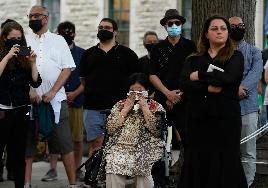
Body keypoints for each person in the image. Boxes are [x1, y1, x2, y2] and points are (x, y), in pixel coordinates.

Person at [179, 15, 247, 188]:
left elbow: (228, 79)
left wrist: (200, 75)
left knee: (226, 159)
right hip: (197, 119)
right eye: (214, 29)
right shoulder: (193, 59)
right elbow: (185, 83)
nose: (219, 32)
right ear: (206, 34)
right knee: (197, 158)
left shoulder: (235, 56)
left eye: (223, 28)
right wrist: (208, 87)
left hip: (225, 119)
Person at [26, 5, 77, 188]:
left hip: (55, 100)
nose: (32, 19)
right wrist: (30, 90)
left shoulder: (59, 41)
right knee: (29, 145)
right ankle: (26, 183)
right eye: (30, 16)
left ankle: (72, 184)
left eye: (36, 16)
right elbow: (21, 70)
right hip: (30, 102)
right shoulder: (25, 40)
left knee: (65, 143)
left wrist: (53, 91)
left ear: (46, 18)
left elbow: (67, 68)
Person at [79, 18, 138, 157]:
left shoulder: (128, 54)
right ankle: (95, 175)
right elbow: (83, 80)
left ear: (115, 32)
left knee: (118, 145)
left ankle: (115, 178)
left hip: (120, 107)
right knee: (96, 144)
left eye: (107, 27)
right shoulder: (87, 54)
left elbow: (136, 82)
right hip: (93, 108)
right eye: (100, 27)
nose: (103, 30)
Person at [98, 72, 165, 188]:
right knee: (113, 162)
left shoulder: (156, 107)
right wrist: (125, 110)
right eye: (132, 91)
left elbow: (157, 131)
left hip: (147, 146)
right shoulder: (120, 105)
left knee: (142, 165)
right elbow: (111, 129)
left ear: (148, 91)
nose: (136, 94)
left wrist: (145, 108)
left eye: (140, 90)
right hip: (121, 146)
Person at [0, 21, 41, 188]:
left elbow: (36, 82)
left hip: (21, 110)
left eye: (19, 38)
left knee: (18, 155)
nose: (16, 41)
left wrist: (32, 63)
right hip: (2, 111)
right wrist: (8, 56)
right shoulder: (3, 54)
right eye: (12, 38)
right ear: (4, 38)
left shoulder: (24, 56)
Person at [149, 8, 196, 148]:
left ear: (181, 24)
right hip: (162, 100)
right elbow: (152, 75)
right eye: (170, 24)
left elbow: (195, 74)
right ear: (165, 26)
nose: (174, 26)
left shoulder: (190, 46)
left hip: (185, 99)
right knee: (157, 142)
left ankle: (187, 169)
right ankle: (160, 170)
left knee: (188, 141)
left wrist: (178, 95)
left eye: (177, 23)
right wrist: (168, 94)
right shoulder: (157, 48)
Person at [229, 16, 263, 187]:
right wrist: (231, 89)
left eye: (240, 25)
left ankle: (246, 185)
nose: (237, 28)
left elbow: (256, 73)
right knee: (227, 150)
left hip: (248, 107)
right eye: (233, 26)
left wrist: (241, 88)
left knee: (248, 152)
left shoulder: (254, 51)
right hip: (226, 108)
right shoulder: (221, 52)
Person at [0, 18, 16, 183]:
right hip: (1, 102)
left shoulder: (20, 51)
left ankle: (12, 170)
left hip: (16, 102)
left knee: (13, 141)